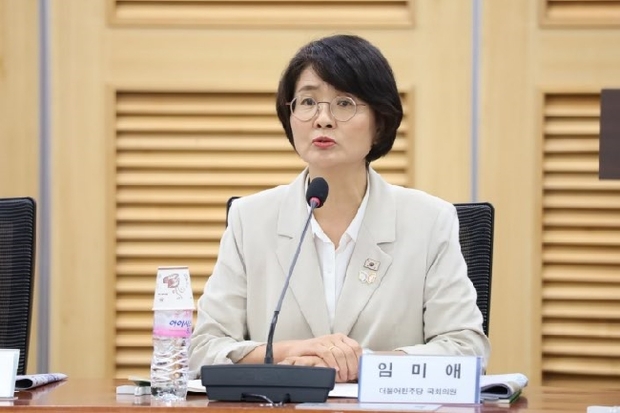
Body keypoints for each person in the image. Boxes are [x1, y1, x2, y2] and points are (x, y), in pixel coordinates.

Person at [188, 34, 490, 383]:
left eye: (344, 103)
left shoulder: (429, 221)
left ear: (379, 122)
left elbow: (467, 349)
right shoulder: (250, 219)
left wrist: (363, 364)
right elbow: (202, 350)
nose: (323, 119)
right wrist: (295, 351)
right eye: (307, 101)